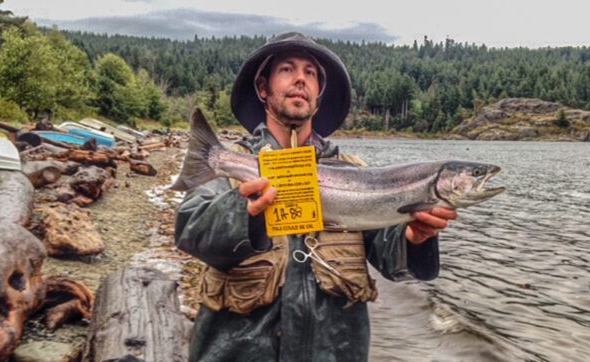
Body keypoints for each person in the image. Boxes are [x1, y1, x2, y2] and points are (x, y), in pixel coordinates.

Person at [174, 32, 457, 362]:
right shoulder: (232, 167)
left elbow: (394, 262)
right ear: (263, 89)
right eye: (287, 70)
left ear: (318, 97)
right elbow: (189, 230)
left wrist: (415, 237)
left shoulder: (356, 173)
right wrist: (245, 211)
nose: (300, 79)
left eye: (310, 73)